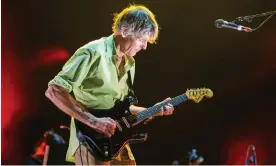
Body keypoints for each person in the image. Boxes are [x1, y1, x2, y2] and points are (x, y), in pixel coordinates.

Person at [45, 4, 175, 165]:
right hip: (91, 142)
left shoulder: (130, 63)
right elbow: (54, 90)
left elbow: (121, 109)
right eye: (142, 39)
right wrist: (93, 121)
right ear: (126, 30)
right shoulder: (93, 52)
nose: (145, 46)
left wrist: (154, 110)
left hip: (117, 142)